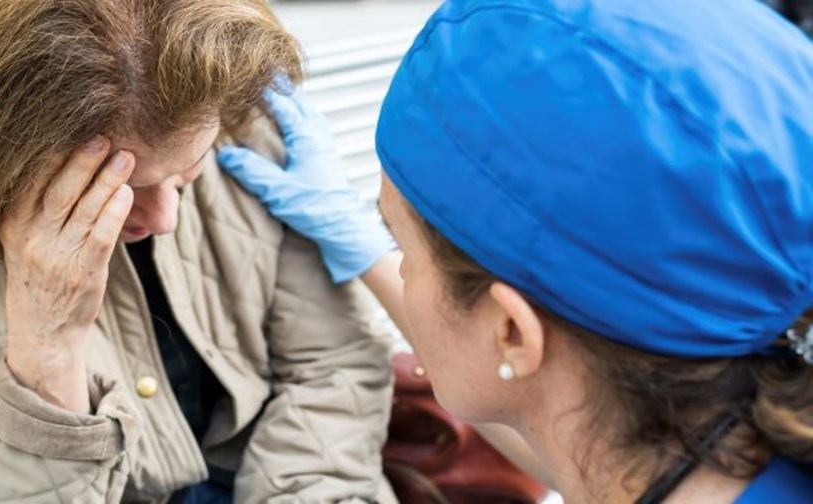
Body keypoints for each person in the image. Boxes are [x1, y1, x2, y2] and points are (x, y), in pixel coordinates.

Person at [217, 0, 813, 502]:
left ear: (512, 332)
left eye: (402, 246)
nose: (395, 261)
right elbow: (562, 430)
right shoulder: (732, 417)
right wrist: (365, 251)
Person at [0, 1, 397, 502]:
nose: (163, 220)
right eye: (114, 190)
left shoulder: (239, 112)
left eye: (184, 173)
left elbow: (332, 367)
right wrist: (46, 349)